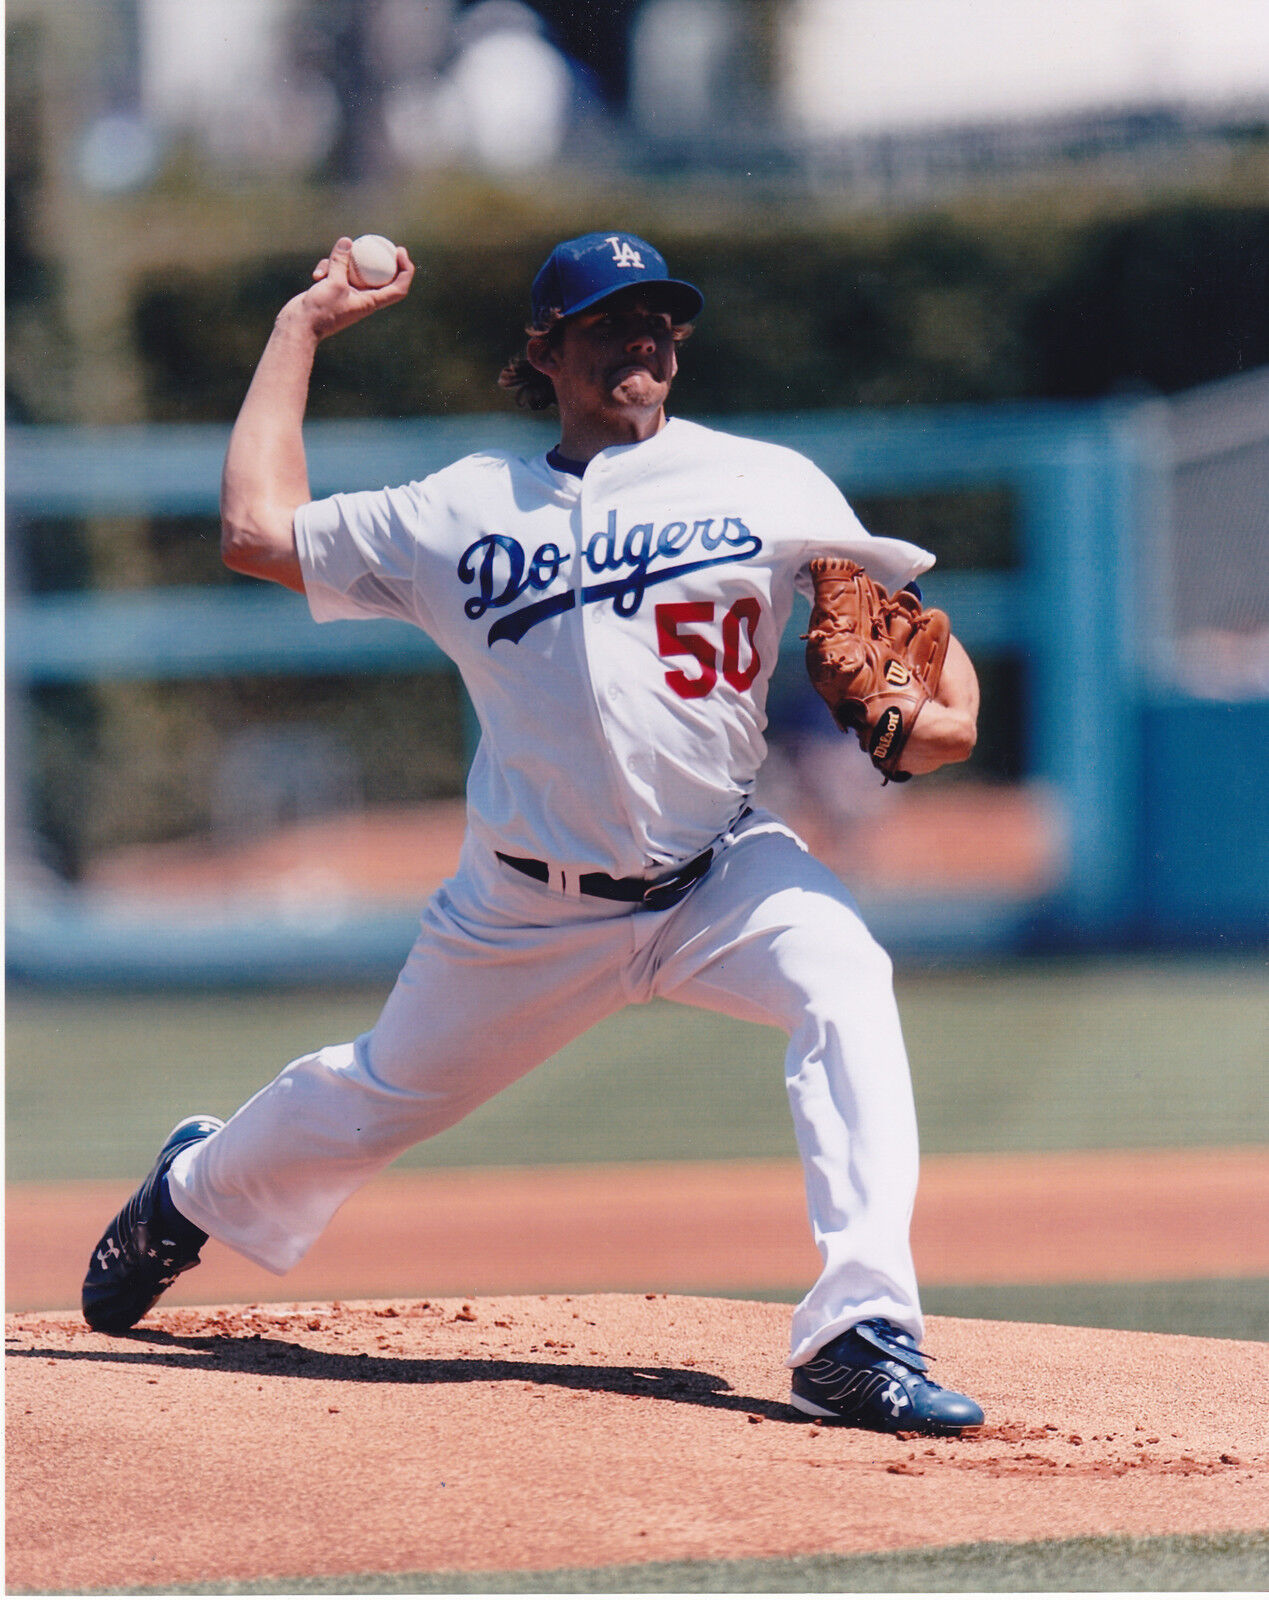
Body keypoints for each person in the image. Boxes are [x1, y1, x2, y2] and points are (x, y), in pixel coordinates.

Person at [83, 231, 984, 1434]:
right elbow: (256, 526)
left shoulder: (767, 483)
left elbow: (904, 626)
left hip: (720, 869)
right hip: (526, 907)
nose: (643, 340)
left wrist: (943, 706)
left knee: (846, 978)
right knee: (373, 1099)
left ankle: (856, 1333)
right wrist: (298, 328)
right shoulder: (459, 509)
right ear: (544, 350)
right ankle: (188, 1189)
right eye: (610, 321)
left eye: (660, 319)